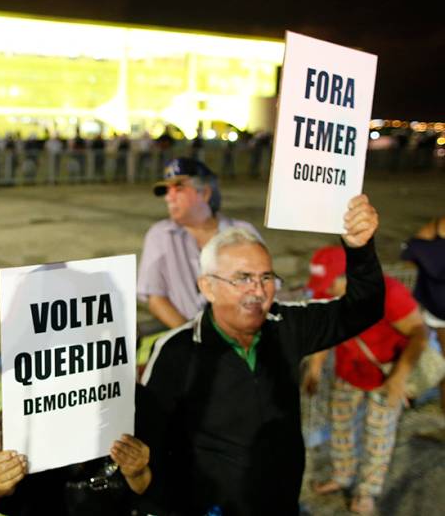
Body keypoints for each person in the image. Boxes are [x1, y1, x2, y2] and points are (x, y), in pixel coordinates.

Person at [141, 195, 383, 516]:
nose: (258, 290)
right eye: (242, 278)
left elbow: (362, 310)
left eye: (266, 277)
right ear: (208, 287)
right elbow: (151, 448)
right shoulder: (176, 351)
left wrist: (360, 249)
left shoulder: (286, 325)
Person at [303, 245, 426, 514]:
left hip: (388, 374)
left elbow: (419, 333)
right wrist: (315, 368)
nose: (324, 292)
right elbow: (327, 328)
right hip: (349, 371)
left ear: (349, 275)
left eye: (329, 285)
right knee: (341, 426)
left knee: (378, 435)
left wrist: (399, 377)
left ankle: (367, 492)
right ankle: (342, 475)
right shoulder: (329, 295)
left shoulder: (390, 293)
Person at [0, 386, 156, 516]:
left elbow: (158, 496)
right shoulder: (24, 417)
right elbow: (11, 503)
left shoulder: (136, 401)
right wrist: (1, 482)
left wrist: (138, 473)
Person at [137, 158, 260, 329]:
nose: (168, 198)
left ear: (205, 193)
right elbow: (155, 297)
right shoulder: (159, 236)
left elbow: (262, 290)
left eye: (178, 189)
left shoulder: (244, 233)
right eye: (167, 191)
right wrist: (193, 339)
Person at [401, 216, 445, 417]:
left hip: (434, 311)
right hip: (434, 312)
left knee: (430, 357)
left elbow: (408, 253)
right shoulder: (431, 244)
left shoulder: (426, 247)